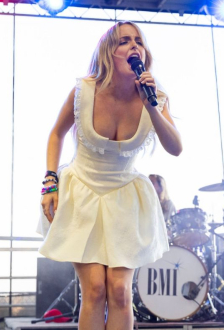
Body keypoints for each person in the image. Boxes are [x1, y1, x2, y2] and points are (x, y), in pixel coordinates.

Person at [37, 21, 182, 329]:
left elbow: (176, 148)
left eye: (138, 41)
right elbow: (55, 134)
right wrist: (49, 182)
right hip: (82, 191)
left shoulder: (155, 97)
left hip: (125, 196)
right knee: (94, 289)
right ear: (108, 52)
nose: (134, 46)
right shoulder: (83, 91)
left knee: (119, 291)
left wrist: (151, 106)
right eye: (124, 41)